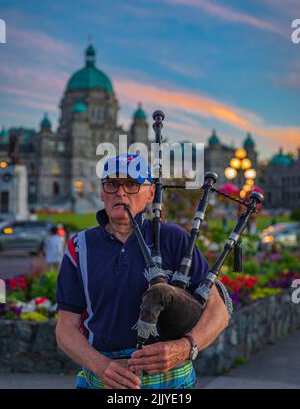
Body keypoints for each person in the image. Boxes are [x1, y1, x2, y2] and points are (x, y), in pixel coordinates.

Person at [56, 154, 229, 390]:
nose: (121, 192)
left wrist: (186, 347)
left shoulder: (173, 238)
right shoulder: (79, 246)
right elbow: (65, 328)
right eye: (112, 184)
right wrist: (101, 366)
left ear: (149, 194)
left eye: (131, 184)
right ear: (101, 192)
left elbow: (218, 309)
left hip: (170, 381)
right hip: (104, 380)